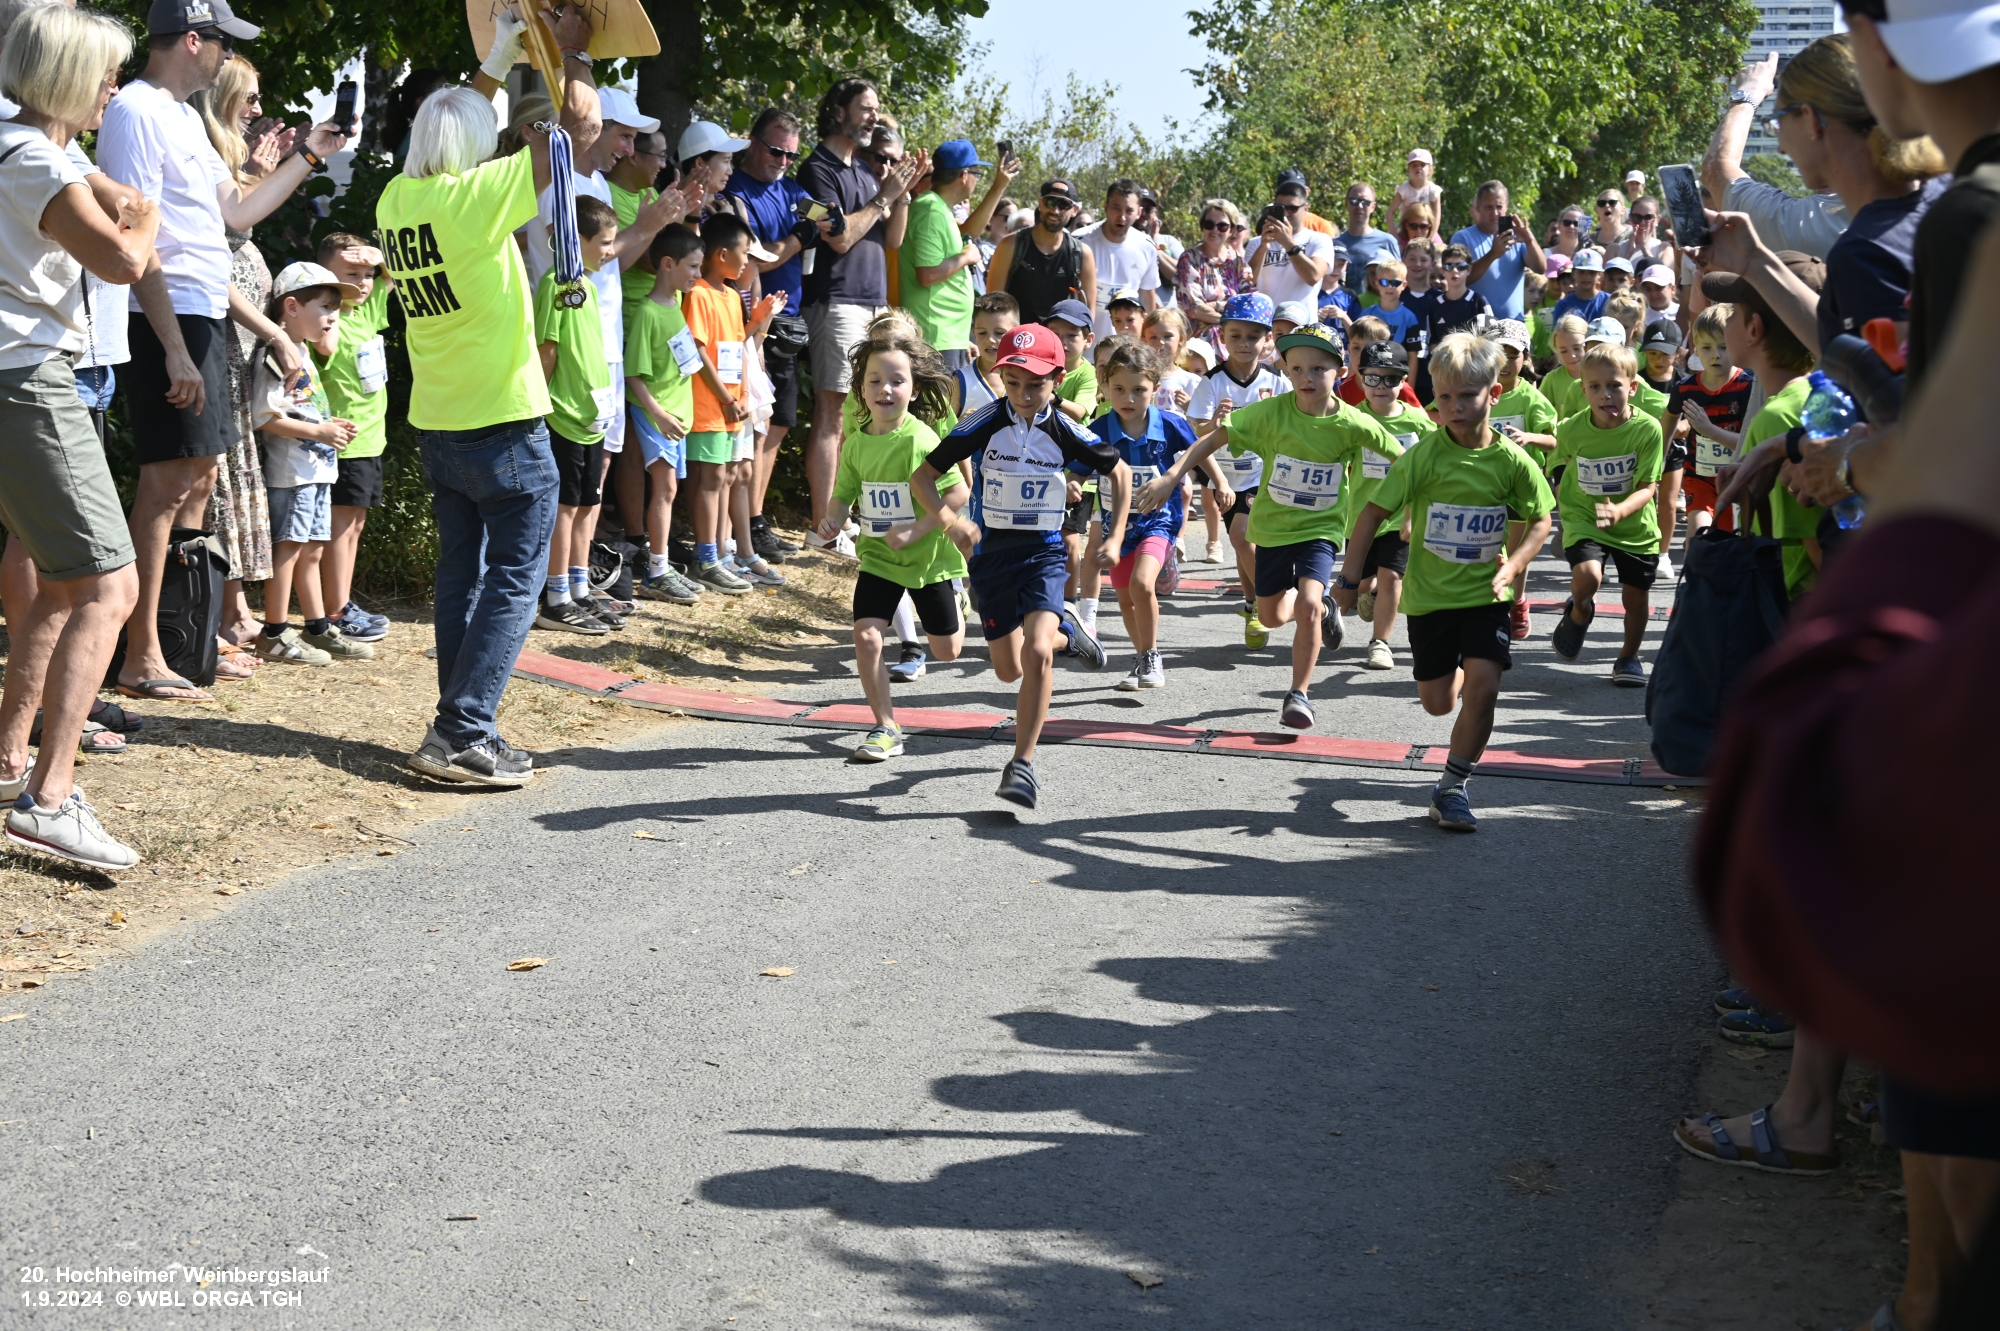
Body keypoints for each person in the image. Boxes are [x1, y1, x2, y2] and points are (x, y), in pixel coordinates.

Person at [377, 7, 601, 789]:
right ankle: (462, 730)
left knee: (462, 577)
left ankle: (459, 721)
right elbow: (576, 128)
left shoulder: (397, 200)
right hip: (502, 421)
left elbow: (459, 122)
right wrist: (570, 56)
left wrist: (503, 57)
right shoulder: (475, 199)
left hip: (440, 423)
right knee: (513, 576)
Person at [99, 0, 342, 704]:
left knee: (198, 477)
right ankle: (140, 651)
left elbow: (236, 212)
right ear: (192, 40)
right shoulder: (135, 111)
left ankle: (187, 637)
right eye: (224, 44)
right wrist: (174, 347)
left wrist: (308, 155)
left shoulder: (182, 115)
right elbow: (135, 233)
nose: (230, 58)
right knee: (167, 482)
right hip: (166, 316)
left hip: (200, 314)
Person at [0, 2, 158, 870]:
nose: (113, 89)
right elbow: (125, 261)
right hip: (28, 379)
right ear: (64, 78)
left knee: (61, 584)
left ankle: (9, 761)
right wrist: (147, 211)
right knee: (110, 584)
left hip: (16, 377)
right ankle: (51, 798)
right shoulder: (34, 160)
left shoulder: (29, 149)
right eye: (104, 75)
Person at [1333, 334, 1553, 832]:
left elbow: (1541, 517)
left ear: (1494, 395)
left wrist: (1514, 564)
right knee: (1438, 704)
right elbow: (1371, 514)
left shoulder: (1511, 459)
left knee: (1485, 687)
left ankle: (1452, 786)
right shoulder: (1423, 457)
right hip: (1430, 599)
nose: (1454, 407)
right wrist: (1348, 577)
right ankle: (1455, 669)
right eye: (1445, 396)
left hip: (1486, 595)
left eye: (1467, 395)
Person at [907, 323, 1130, 809]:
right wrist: (950, 523)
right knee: (1009, 670)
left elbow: (1121, 471)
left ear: (1058, 379)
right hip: (991, 558)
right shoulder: (982, 421)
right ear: (1000, 377)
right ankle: (1068, 634)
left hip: (1044, 553)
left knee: (1036, 654)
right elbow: (921, 477)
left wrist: (1114, 537)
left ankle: (1022, 764)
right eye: (1013, 383)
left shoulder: (1065, 429)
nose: (1024, 395)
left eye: (1036, 385)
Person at [1169, 324, 1402, 727]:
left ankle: (1299, 694)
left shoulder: (1353, 422)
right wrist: (1172, 477)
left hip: (1321, 529)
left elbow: (1406, 461)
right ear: (1285, 370)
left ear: (1341, 372)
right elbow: (1211, 440)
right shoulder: (1270, 413)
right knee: (1273, 616)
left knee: (1307, 604)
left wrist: (1415, 503)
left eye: (1318, 369)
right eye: (1296, 369)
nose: (1306, 378)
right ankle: (1325, 607)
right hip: (1272, 530)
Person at [822, 329, 968, 761]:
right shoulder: (857, 443)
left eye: (897, 381)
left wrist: (917, 531)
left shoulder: (921, 439)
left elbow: (957, 492)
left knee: (946, 651)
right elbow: (843, 492)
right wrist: (834, 517)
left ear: (914, 389)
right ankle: (885, 727)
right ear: (862, 390)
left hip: (929, 561)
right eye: (875, 381)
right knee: (866, 636)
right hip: (879, 558)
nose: (885, 389)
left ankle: (957, 599)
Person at [799, 76, 923, 554]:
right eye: (866, 108)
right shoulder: (817, 169)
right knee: (831, 411)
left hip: (872, 303)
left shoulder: (865, 171)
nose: (874, 116)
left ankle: (843, 518)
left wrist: (902, 191)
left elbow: (893, 239)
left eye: (875, 109)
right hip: (836, 301)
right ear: (838, 111)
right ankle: (823, 528)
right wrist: (883, 198)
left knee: (854, 413)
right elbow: (840, 237)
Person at [250, 261, 368, 666]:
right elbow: (264, 416)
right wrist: (318, 433)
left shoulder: (301, 351)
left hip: (316, 471)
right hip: (292, 473)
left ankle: (317, 626)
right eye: (325, 307)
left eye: (336, 309)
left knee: (313, 548)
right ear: (292, 306)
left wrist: (329, 424)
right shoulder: (277, 351)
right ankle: (274, 631)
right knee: (289, 550)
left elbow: (299, 406)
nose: (333, 317)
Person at [720, 108, 814, 562]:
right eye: (776, 151)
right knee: (753, 428)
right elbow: (757, 258)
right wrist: (799, 239)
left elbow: (823, 218)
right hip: (754, 322)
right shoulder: (735, 190)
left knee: (776, 425)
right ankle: (741, 527)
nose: (783, 162)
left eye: (791, 155)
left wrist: (827, 222)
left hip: (788, 319)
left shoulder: (792, 189)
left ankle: (754, 520)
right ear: (752, 143)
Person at [1545, 342, 1663, 687]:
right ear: (1583, 391)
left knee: (1635, 599)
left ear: (1633, 387)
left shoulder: (1648, 429)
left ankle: (1628, 657)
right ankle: (1580, 610)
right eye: (1595, 387)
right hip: (1586, 516)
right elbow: (1560, 463)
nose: (1605, 394)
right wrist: (1561, 493)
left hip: (1634, 523)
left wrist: (1620, 510)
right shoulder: (1570, 428)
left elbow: (1648, 487)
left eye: (1614, 385)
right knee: (1588, 577)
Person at [1091, 341, 1207, 689]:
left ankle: (1153, 656)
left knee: (1142, 585)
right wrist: (1070, 483)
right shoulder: (1099, 430)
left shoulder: (1170, 424)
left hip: (1159, 520)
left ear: (1155, 388)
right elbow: (1078, 468)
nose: (1128, 398)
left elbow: (1200, 450)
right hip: (1118, 527)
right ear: (1105, 386)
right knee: (1126, 600)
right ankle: (1141, 657)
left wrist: (1220, 483)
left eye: (1138, 390)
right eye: (1119, 389)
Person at [1707, 258, 1825, 600]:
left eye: (1732, 313)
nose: (1726, 321)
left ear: (1754, 330)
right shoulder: (1822, 396)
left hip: (1793, 606)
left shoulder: (1775, 418)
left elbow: (1817, 546)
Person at [530, 195, 619, 635]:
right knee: (564, 508)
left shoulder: (586, 285)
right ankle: (556, 596)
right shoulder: (555, 285)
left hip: (592, 418)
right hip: (563, 417)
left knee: (588, 504)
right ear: (576, 239)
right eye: (603, 242)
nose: (610, 251)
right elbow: (547, 350)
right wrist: (538, 407)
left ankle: (580, 588)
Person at [684, 212, 783, 593]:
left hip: (732, 407)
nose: (747, 261)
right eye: (744, 252)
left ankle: (718, 556)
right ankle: (707, 558)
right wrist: (726, 397)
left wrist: (740, 396)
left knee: (723, 477)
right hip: (709, 407)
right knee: (709, 480)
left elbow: (735, 345)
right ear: (722, 254)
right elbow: (697, 350)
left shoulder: (730, 296)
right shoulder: (698, 294)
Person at [1188, 291, 1291, 645]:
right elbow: (1198, 436)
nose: (1244, 344)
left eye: (1253, 336)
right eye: (1236, 336)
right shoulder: (1212, 381)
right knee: (1241, 541)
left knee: (1242, 537)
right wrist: (1214, 429)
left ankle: (1265, 601)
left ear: (1268, 340)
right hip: (1226, 478)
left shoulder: (1277, 381)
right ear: (1222, 337)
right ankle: (1256, 603)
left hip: (1265, 476)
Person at [312, 234, 393, 644]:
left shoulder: (367, 308)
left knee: (354, 525)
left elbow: (397, 276)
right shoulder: (325, 318)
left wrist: (381, 259)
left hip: (371, 439)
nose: (363, 282)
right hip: (342, 441)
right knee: (340, 528)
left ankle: (342, 603)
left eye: (367, 274)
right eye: (351, 274)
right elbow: (323, 347)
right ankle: (335, 610)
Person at [623, 223, 707, 605]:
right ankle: (656, 572)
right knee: (666, 488)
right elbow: (633, 375)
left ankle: (661, 565)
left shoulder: (678, 303)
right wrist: (657, 414)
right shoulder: (648, 313)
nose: (698, 274)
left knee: (669, 490)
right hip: (659, 414)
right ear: (668, 264)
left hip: (678, 416)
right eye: (693, 266)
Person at [1704, 52, 1852, 258]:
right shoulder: (1898, 212)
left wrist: (1749, 92)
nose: (1782, 148)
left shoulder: (1799, 225)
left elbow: (1717, 167)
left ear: (1811, 123)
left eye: (1778, 123)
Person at [900, 139, 1018, 368]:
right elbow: (927, 274)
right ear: (964, 175)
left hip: (947, 336)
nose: (976, 181)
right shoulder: (930, 210)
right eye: (977, 174)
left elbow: (969, 231)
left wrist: (999, 186)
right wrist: (966, 257)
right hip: (934, 337)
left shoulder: (939, 208)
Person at [1347, 340, 1423, 669]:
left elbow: (1432, 465)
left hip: (1400, 517)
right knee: (1365, 583)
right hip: (1360, 517)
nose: (1381, 386)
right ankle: (1372, 592)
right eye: (1373, 378)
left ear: (1404, 381)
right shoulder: (1351, 419)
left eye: (1391, 379)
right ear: (1360, 378)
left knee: (1392, 575)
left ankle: (1380, 643)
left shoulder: (1419, 422)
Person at [1486, 320, 1564, 636]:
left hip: (1520, 486)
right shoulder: (1479, 390)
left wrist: (1529, 437)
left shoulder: (1531, 398)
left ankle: (1517, 602)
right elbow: (1438, 413)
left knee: (1516, 551)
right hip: (1483, 483)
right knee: (1489, 549)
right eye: (1498, 354)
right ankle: (1489, 606)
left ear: (1526, 358)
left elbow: (1554, 440)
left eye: (1513, 355)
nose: (1505, 363)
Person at [1669, 303, 1754, 539]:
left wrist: (1708, 430)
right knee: (1698, 533)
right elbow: (1668, 422)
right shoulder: (1685, 388)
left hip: (1738, 478)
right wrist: (1660, 458)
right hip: (1699, 478)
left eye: (1724, 347)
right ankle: (1694, 563)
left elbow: (1749, 443)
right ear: (1695, 349)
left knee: (1732, 540)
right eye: (1707, 347)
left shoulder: (1747, 388)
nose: (1715, 354)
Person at [1077, 179, 1160, 339]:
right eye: (1116, 208)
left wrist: (1149, 341)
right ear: (1106, 206)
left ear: (1138, 212)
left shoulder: (1146, 246)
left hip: (1126, 347)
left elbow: (1148, 296)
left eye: (1129, 210)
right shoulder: (1079, 242)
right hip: (1084, 345)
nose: (1122, 217)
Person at [1453, 180, 1546, 320]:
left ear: (1506, 207)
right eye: (1488, 207)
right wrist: (1493, 254)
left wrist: (1529, 239)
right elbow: (1459, 278)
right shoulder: (1462, 237)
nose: (1495, 213)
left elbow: (1540, 268)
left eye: (1499, 206)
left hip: (1513, 325)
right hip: (1476, 325)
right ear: (1478, 207)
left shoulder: (1517, 237)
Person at [1412, 243, 1492, 403]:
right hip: (1445, 376)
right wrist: (1447, 348)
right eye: (1449, 266)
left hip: (1473, 375)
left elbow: (1490, 340)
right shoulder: (1434, 306)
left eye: (1460, 266)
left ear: (1469, 269)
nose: (1455, 271)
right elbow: (1431, 343)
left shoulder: (1479, 302)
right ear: (1443, 270)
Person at [1177, 197, 1251, 348]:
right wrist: (1229, 316)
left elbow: (1249, 301)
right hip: (1201, 343)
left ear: (1231, 230)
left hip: (1235, 339)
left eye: (1222, 226)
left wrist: (1214, 305)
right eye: (1209, 224)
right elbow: (1195, 310)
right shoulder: (1189, 259)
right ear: (1202, 227)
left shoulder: (1237, 261)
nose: (1215, 230)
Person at [1251, 194, 1335, 313]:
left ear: (1305, 209)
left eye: (1292, 208)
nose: (1286, 213)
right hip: (1265, 320)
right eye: (1281, 208)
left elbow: (1313, 277)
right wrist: (1263, 247)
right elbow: (1247, 282)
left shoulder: (1319, 239)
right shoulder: (1256, 243)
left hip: (1302, 322)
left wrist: (1288, 243)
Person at [1337, 181, 1398, 296]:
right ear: (1346, 204)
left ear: (1373, 207)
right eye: (1354, 201)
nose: (1359, 206)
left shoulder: (1387, 242)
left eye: (1365, 202)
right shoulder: (1335, 243)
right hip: (1341, 305)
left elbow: (1398, 279)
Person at [1551, 249, 1609, 325]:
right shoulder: (1563, 305)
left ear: (1600, 275)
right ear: (1573, 274)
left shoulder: (1609, 301)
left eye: (1592, 272)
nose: (1586, 276)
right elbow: (1558, 331)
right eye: (1581, 272)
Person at [1392, 148, 1443, 228]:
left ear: (1430, 170)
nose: (1418, 168)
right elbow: (1390, 212)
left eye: (1422, 165)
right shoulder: (1403, 190)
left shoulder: (1433, 190)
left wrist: (1432, 235)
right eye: (1414, 165)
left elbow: (1437, 216)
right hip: (1407, 230)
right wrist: (1394, 233)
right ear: (1408, 170)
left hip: (1426, 230)